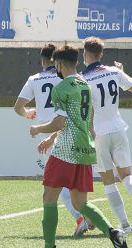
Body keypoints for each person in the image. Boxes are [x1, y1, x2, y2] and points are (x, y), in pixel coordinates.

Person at [30, 45, 127, 248]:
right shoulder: (86, 85)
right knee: (81, 202)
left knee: (49, 197)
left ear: (58, 64)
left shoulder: (61, 88)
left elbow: (60, 122)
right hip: (85, 148)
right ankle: (113, 232)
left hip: (65, 150)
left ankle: (49, 246)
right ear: (76, 61)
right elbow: (89, 121)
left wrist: (38, 129)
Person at [14, 44, 90, 236]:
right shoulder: (73, 79)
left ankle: (82, 218)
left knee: (56, 184)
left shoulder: (35, 79)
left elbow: (18, 107)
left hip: (55, 132)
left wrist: (27, 114)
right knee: (70, 183)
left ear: (43, 60)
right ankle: (89, 217)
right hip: (73, 132)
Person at [81, 36, 132, 233]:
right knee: (127, 175)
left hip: (99, 132)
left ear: (85, 54)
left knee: (108, 179)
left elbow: (85, 109)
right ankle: (125, 225)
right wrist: (122, 72)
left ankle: (126, 225)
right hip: (119, 128)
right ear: (101, 54)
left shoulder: (82, 78)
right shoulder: (114, 71)